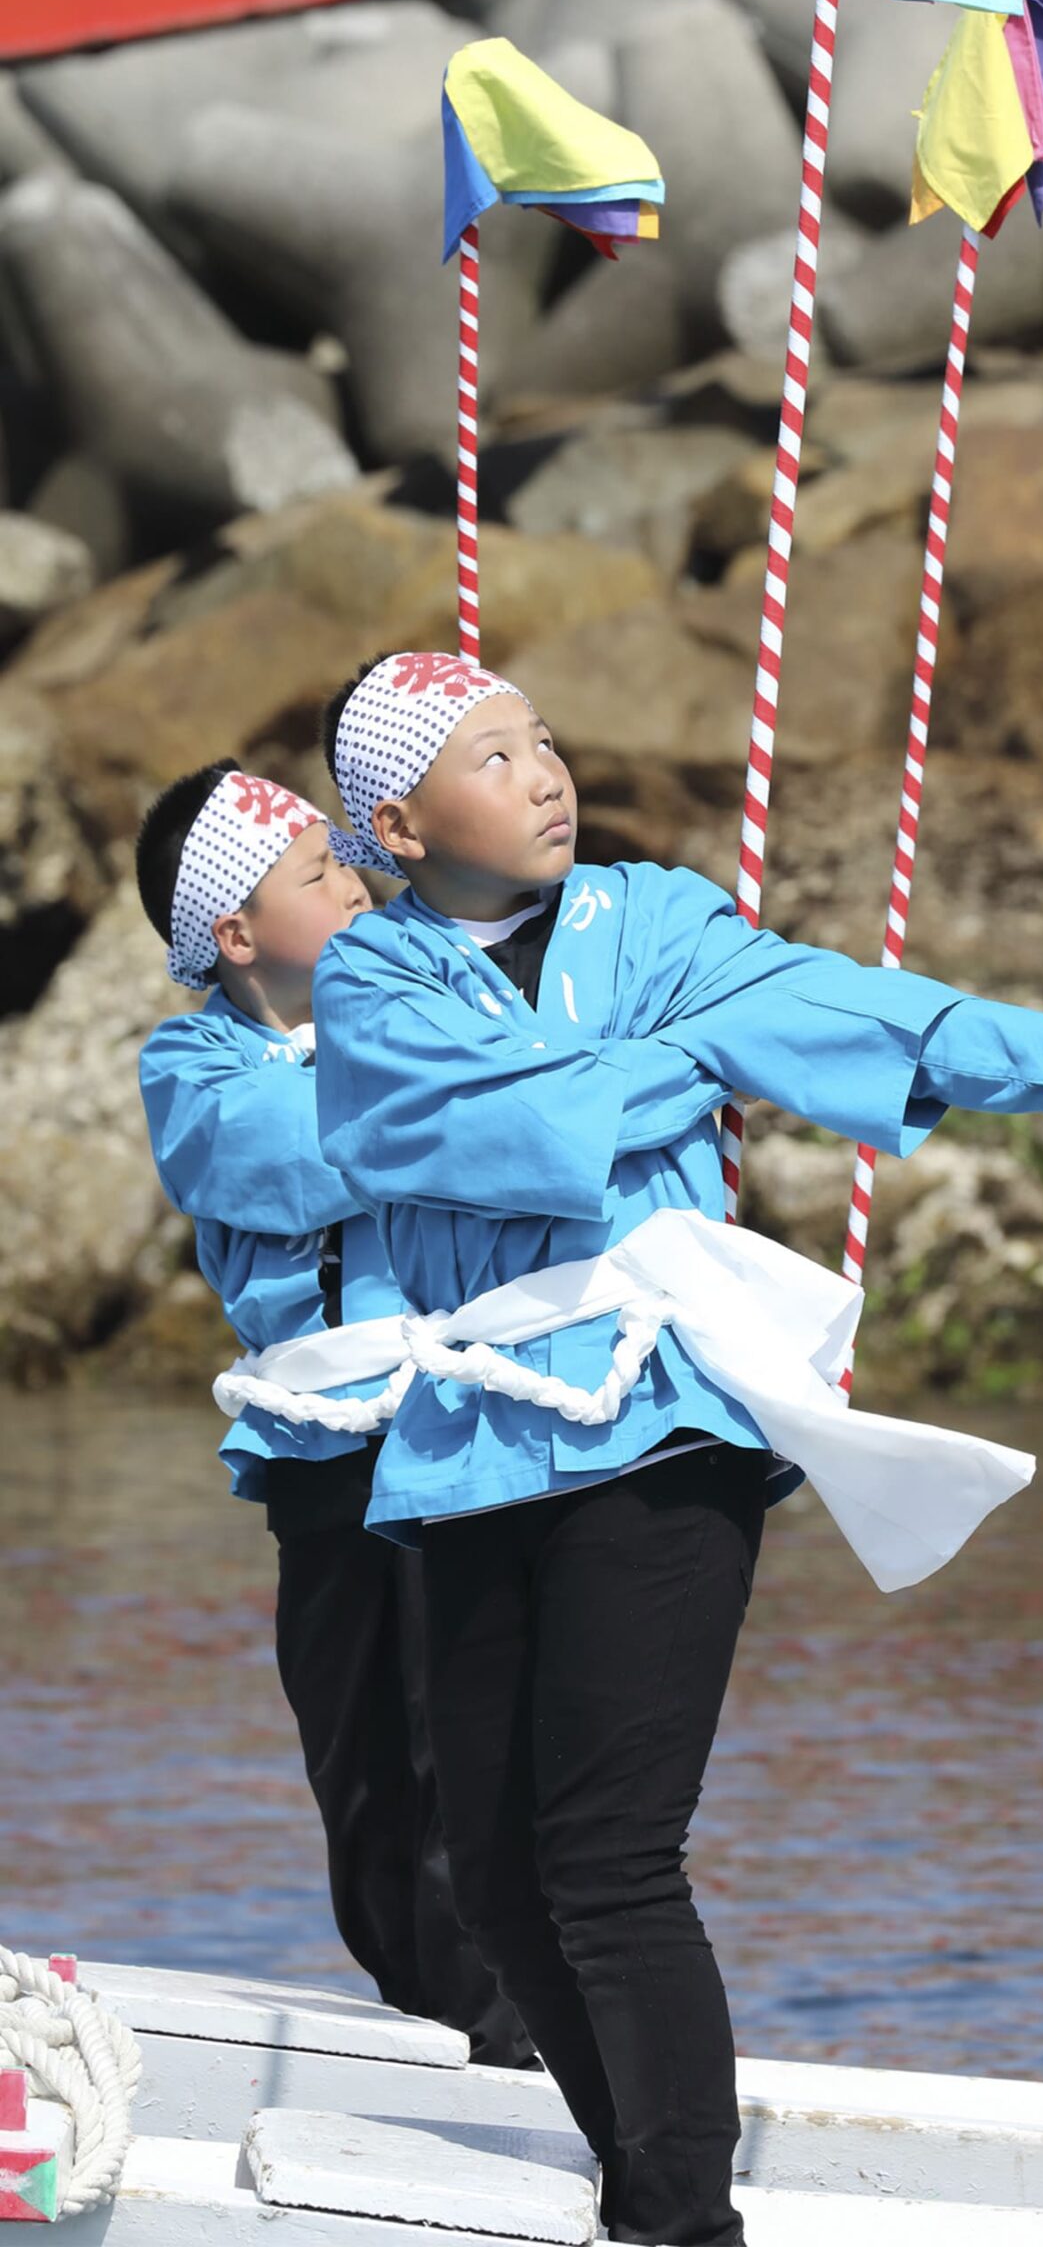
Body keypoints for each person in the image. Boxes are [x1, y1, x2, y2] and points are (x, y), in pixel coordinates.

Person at [309, 648, 1043, 2247]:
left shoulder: (652, 916)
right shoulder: (369, 980)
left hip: (664, 1415)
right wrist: (681, 1063)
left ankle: (678, 2220)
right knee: (497, 1868)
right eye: (492, 754)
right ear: (399, 820)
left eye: (545, 738)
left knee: (607, 1853)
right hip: (471, 1438)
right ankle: (641, 2184)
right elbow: (453, 1126)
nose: (544, 773)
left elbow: (843, 1009)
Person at [133, 760, 532, 2067]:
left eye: (349, 860)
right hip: (335, 1459)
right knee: (367, 1772)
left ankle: (524, 2028)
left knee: (491, 1741)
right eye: (319, 873)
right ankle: (447, 2030)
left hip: (476, 1428)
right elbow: (308, 1153)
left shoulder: (433, 994)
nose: (357, 884)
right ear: (236, 938)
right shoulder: (196, 1064)